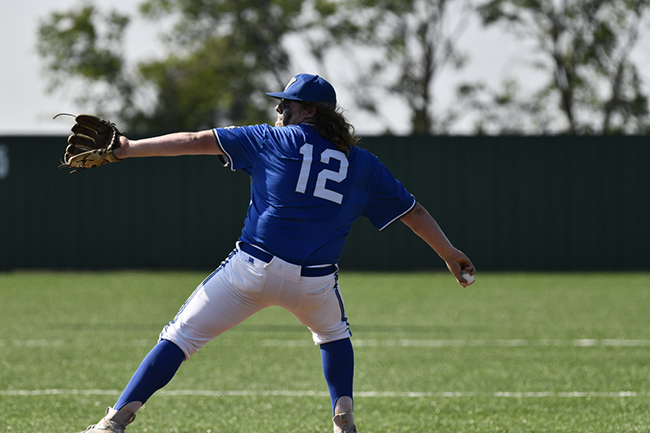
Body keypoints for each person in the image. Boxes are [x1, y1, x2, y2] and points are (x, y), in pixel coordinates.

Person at [75, 73, 475, 433]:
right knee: (334, 335)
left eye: (287, 103)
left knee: (179, 338)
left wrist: (127, 148)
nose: (279, 108)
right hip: (314, 283)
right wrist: (449, 252)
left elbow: (198, 141)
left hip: (252, 270)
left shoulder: (270, 138)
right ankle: (344, 423)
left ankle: (114, 423)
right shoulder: (363, 163)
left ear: (309, 111)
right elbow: (413, 211)